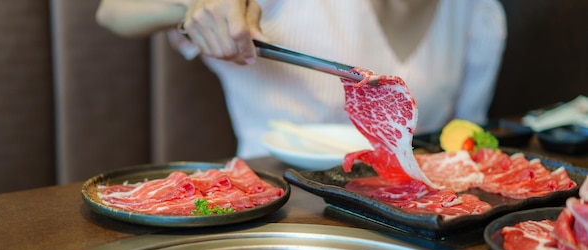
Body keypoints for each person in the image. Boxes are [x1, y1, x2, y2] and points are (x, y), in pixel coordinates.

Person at [96, 0, 507, 159]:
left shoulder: (477, 14)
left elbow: (465, 140)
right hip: (274, 207)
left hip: (404, 219)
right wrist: (196, 3)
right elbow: (113, 11)